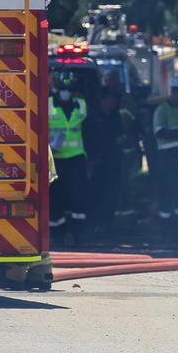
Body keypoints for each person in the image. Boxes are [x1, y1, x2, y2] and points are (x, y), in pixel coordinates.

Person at [48, 70, 89, 244]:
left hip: (76, 158)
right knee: (55, 196)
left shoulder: (81, 105)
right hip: (54, 159)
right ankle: (57, 233)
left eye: (69, 89)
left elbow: (88, 129)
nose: (66, 92)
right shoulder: (46, 104)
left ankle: (79, 234)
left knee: (78, 197)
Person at [83, 80, 124, 236]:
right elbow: (86, 138)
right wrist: (90, 159)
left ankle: (107, 225)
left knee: (112, 194)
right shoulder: (92, 117)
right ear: (103, 99)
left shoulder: (116, 116)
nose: (113, 102)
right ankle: (93, 225)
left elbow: (120, 136)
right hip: (96, 162)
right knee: (95, 194)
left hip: (113, 162)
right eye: (111, 99)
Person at [152, 78, 178, 219]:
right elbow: (159, 132)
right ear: (175, 92)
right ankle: (165, 225)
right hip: (167, 156)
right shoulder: (162, 110)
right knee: (166, 189)